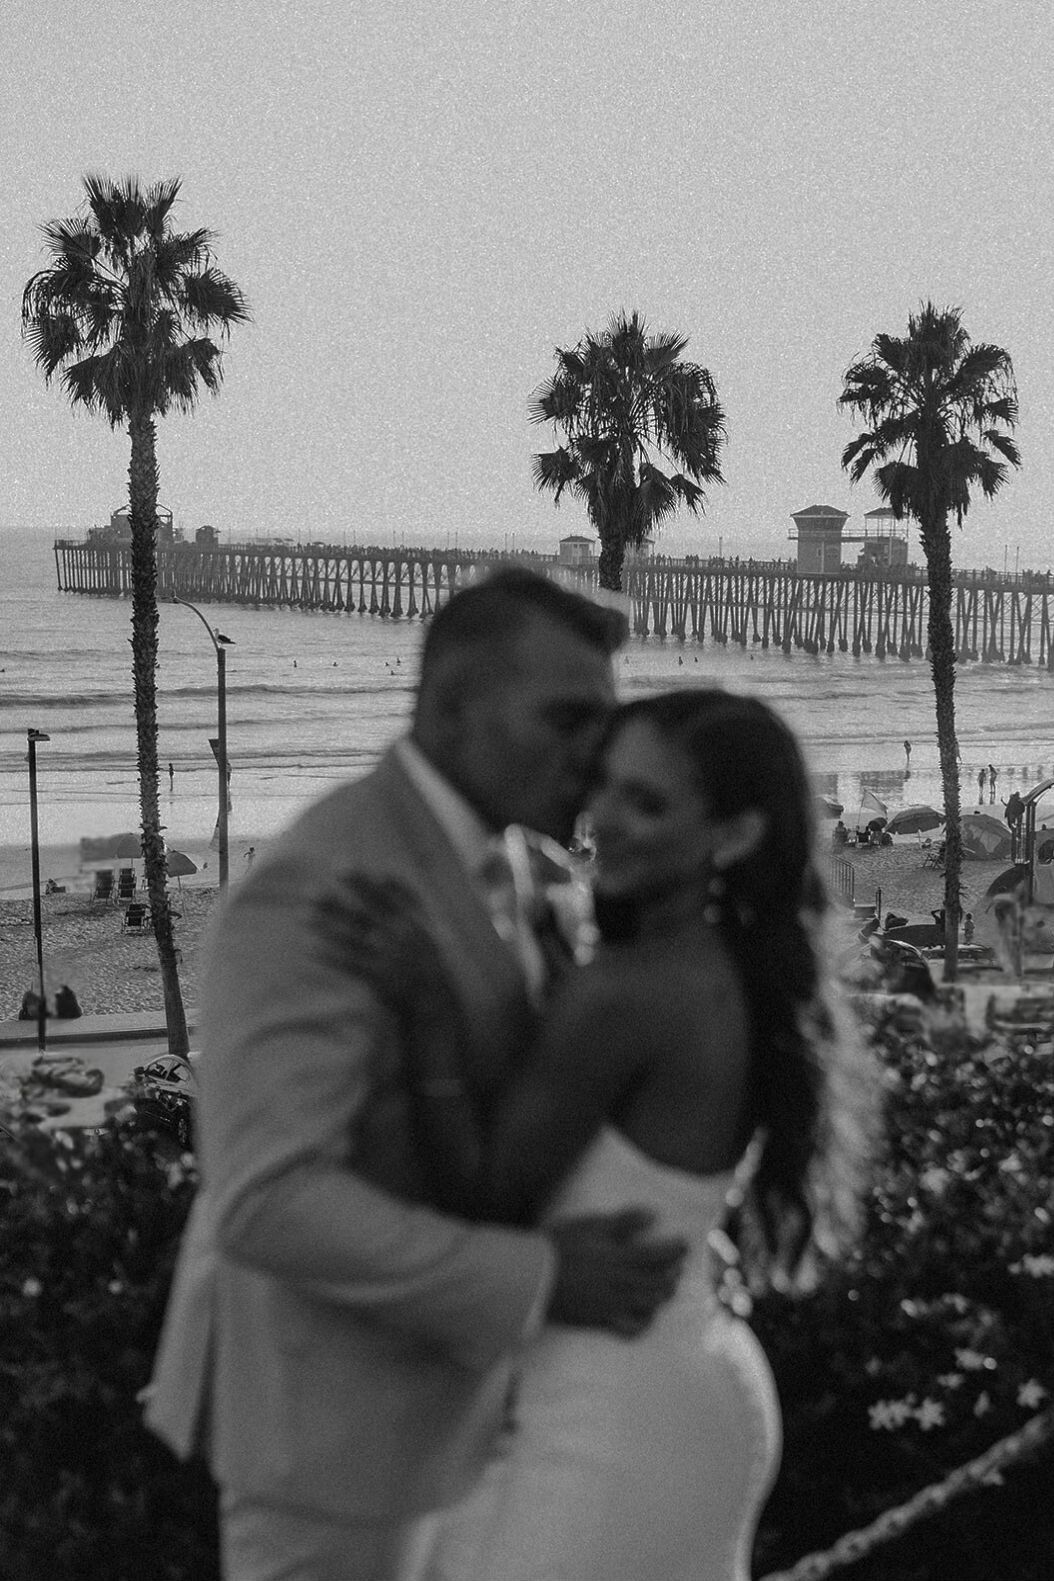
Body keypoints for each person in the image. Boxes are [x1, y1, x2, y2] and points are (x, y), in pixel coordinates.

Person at [145, 568, 686, 1581]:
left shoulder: (526, 868)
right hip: (336, 1440)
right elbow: (266, 1198)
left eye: (603, 725)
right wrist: (538, 1281)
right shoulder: (319, 885)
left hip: (485, 1422)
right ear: (449, 708)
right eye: (566, 718)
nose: (595, 755)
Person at [324, 689, 873, 1581]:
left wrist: (427, 1010)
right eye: (606, 786)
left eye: (647, 802)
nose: (604, 819)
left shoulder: (631, 994)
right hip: (685, 1376)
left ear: (731, 837)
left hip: (608, 1408)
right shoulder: (721, 967)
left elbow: (484, 1193)